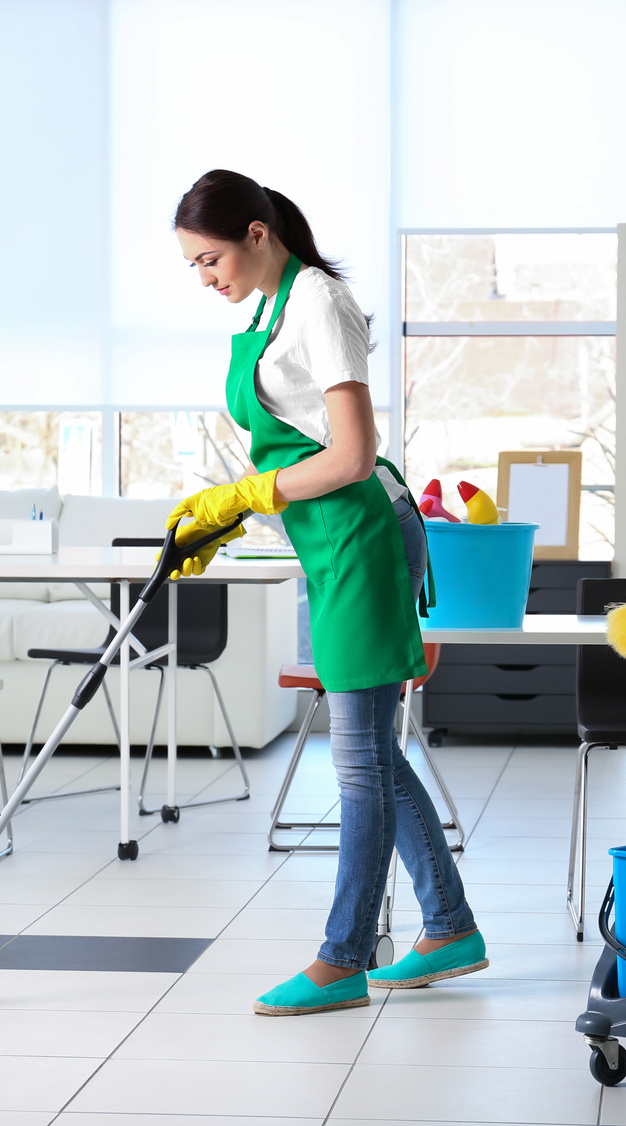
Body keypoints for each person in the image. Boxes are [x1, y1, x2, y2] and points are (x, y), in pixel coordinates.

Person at [168, 170, 486, 1016]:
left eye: (210, 259)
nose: (205, 277)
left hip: (366, 536)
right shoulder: (262, 312)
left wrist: (248, 495)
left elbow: (350, 455)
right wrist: (233, 515)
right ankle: (449, 925)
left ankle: (343, 958)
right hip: (329, 539)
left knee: (356, 761)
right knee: (369, 752)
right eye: (194, 265)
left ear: (257, 234)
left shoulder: (318, 302)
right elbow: (295, 447)